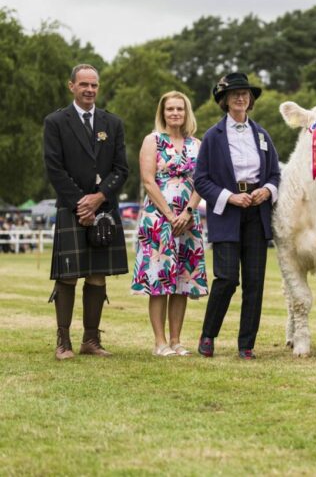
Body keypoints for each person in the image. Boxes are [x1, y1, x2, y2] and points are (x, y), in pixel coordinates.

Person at [43, 64, 129, 360]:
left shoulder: (112, 123)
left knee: (97, 275)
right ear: (72, 86)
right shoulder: (55, 122)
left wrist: (100, 197)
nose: (90, 90)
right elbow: (54, 168)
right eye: (84, 85)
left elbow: (121, 168)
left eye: (94, 85)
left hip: (104, 208)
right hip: (71, 208)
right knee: (68, 275)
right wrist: (82, 203)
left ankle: (90, 340)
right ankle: (63, 341)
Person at [194, 73, 281, 360]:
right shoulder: (212, 136)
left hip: (257, 213)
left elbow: (274, 175)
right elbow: (201, 180)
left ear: (250, 99)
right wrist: (229, 197)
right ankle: (208, 335)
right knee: (228, 278)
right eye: (234, 94)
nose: (240, 98)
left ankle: (246, 345)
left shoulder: (262, 135)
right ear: (225, 101)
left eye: (244, 93)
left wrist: (267, 191)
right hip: (227, 213)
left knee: (254, 281)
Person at [131, 91, 208, 356]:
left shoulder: (197, 144)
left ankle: (176, 340)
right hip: (158, 219)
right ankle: (159, 342)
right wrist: (170, 214)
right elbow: (148, 180)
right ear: (162, 113)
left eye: (180, 109)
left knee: (182, 281)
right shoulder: (152, 141)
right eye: (170, 109)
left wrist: (188, 212)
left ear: (186, 113)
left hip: (188, 219)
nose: (175, 113)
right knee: (159, 280)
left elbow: (202, 181)